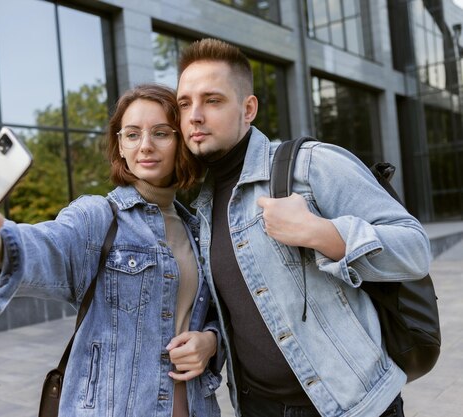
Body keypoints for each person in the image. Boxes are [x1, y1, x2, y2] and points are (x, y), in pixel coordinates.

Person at [0, 83, 224, 417]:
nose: (145, 146)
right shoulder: (97, 217)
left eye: (160, 133)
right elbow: (47, 246)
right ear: (120, 147)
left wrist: (210, 342)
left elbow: (215, 313)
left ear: (180, 142)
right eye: (131, 134)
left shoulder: (197, 229)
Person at [175, 38, 431, 417]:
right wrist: (212, 342)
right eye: (184, 103)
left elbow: (416, 250)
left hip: (353, 406)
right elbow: (242, 308)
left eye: (212, 100)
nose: (194, 115)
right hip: (258, 407)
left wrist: (320, 233)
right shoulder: (201, 205)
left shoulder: (310, 166)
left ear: (248, 109)